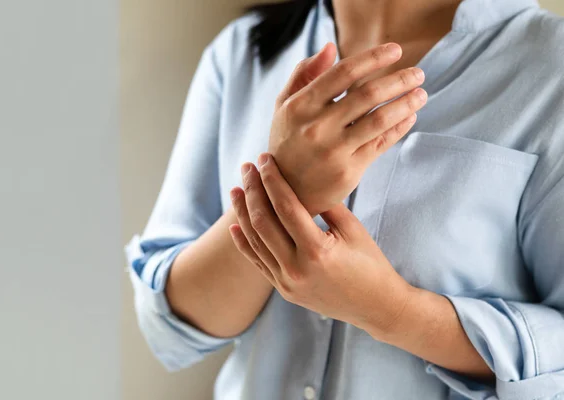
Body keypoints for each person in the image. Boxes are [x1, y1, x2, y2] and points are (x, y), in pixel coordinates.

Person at [124, 0, 564, 398]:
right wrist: (287, 186)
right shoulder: (242, 53)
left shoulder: (550, 69)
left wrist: (393, 312)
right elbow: (168, 329)